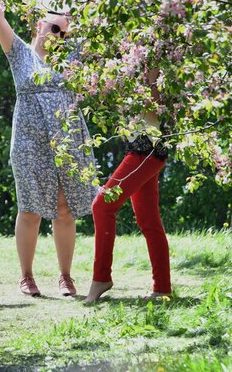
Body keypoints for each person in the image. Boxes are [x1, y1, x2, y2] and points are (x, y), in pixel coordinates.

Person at [0, 0, 95, 297]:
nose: (60, 36)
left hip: (68, 139)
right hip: (28, 142)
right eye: (55, 29)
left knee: (64, 209)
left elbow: (95, 21)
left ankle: (65, 276)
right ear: (39, 25)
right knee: (30, 208)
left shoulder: (71, 56)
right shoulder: (21, 54)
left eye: (65, 32)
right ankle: (26, 276)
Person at [85, 69, 171, 303]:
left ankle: (101, 277)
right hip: (142, 147)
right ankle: (162, 288)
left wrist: (147, 79)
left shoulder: (154, 57)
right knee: (149, 220)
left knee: (102, 206)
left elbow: (157, 106)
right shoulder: (132, 61)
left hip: (148, 148)